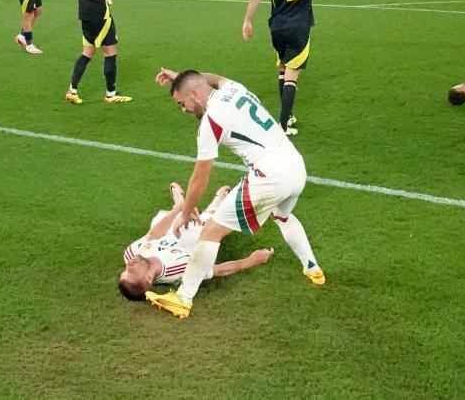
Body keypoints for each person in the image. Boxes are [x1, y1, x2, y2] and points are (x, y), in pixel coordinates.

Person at [145, 69, 325, 319]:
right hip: (296, 166)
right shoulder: (234, 88)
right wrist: (180, 77)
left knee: (211, 232)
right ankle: (312, 267)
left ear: (195, 95)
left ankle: (183, 298)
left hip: (269, 177)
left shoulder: (211, 122)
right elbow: (213, 78)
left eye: (182, 103)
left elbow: (200, 178)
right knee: (282, 216)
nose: (183, 109)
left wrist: (185, 214)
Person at [242, 0, 358, 135]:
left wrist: (247, 20)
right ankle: (283, 126)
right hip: (298, 26)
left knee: (283, 68)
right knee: (292, 74)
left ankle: (289, 115)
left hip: (277, 27)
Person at [119, 182, 274, 301]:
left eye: (125, 269)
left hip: (168, 231)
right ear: (149, 278)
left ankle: (181, 202)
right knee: (211, 221)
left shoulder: (131, 254)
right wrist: (251, 260)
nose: (129, 264)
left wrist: (180, 209)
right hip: (196, 236)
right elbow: (218, 270)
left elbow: (153, 234)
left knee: (159, 221)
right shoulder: (178, 270)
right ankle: (217, 201)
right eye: (131, 271)